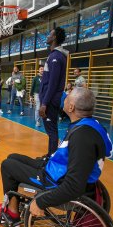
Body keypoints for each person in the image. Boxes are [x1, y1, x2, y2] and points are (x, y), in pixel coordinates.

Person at [0, 87, 113, 223]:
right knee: (13, 157)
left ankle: (12, 213)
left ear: (71, 107)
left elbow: (74, 186)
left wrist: (41, 202)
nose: (63, 98)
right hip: (57, 169)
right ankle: (12, 204)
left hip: (55, 181)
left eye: (67, 97)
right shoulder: (92, 125)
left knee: (7, 166)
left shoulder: (82, 137)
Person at [39, 27, 68, 156]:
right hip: (48, 100)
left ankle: (51, 157)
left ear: (55, 37)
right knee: (51, 129)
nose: (47, 36)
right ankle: (51, 154)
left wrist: (44, 103)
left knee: (52, 130)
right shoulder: (53, 55)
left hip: (50, 101)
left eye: (50, 34)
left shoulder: (56, 56)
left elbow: (53, 83)